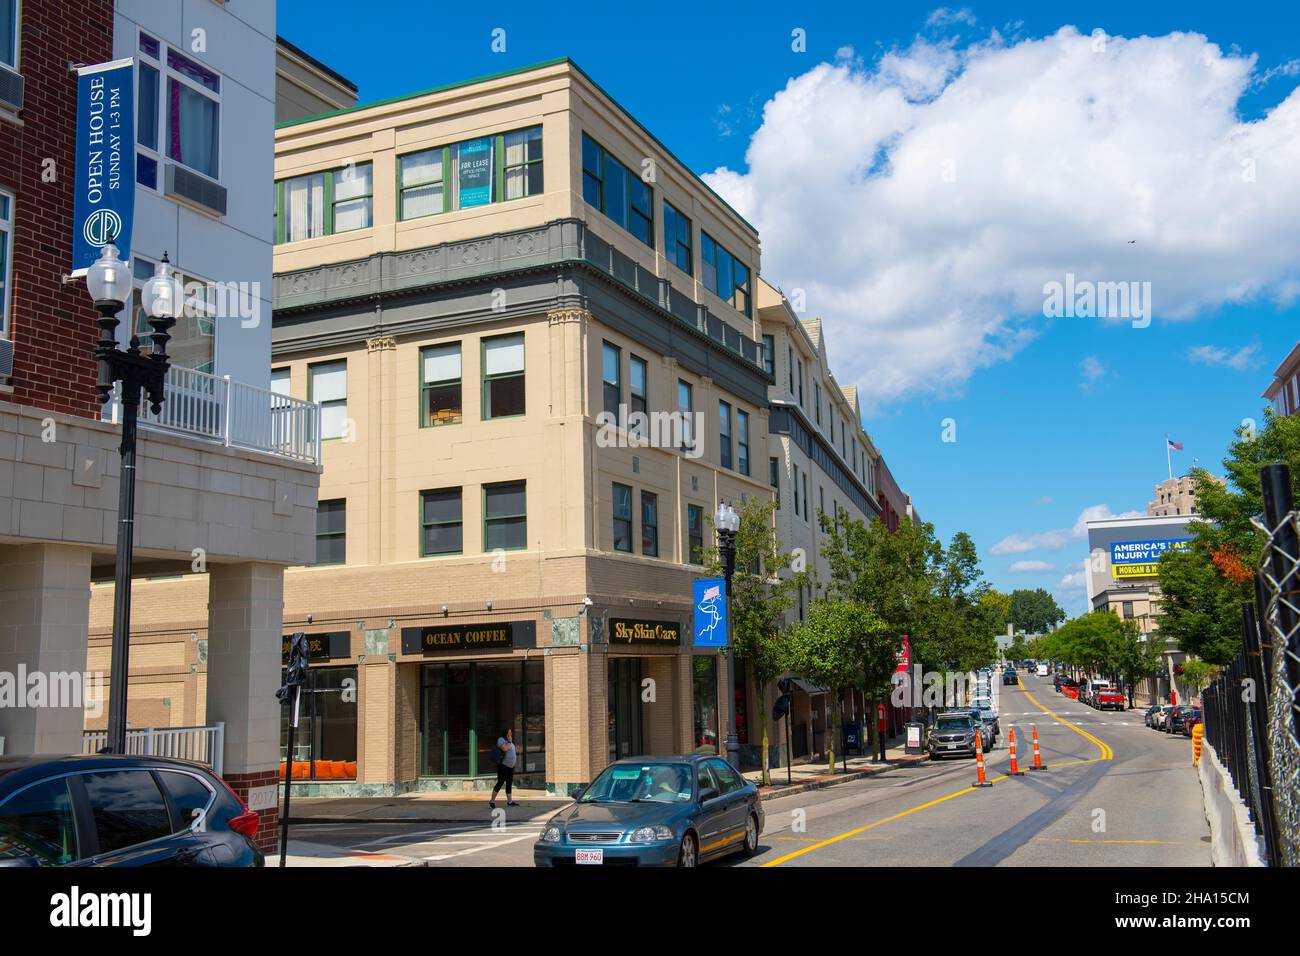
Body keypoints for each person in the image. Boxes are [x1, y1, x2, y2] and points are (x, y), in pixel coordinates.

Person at [489, 727, 520, 809]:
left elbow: (513, 750)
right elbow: (504, 749)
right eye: (509, 732)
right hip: (503, 765)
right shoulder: (501, 740)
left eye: (511, 732)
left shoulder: (510, 741)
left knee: (509, 783)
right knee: (500, 782)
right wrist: (509, 742)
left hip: (510, 767)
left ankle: (510, 801)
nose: (511, 733)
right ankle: (492, 801)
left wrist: (516, 749)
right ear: (505, 733)